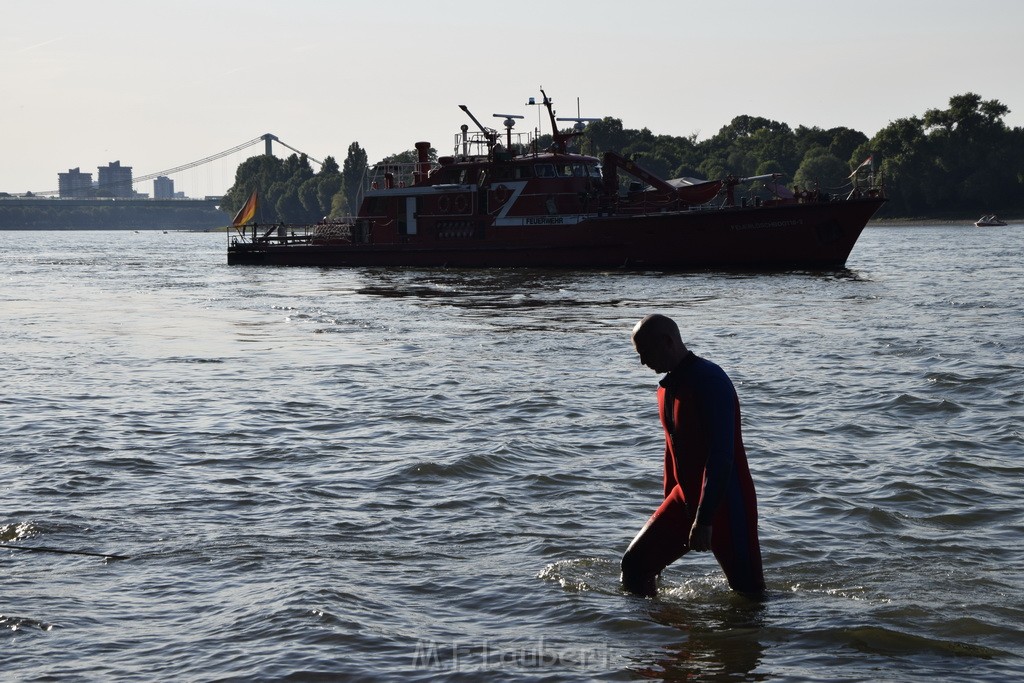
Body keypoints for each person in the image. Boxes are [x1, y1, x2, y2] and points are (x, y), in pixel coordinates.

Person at [621, 314, 765, 597]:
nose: (642, 362)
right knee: (635, 568)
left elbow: (722, 455)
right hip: (684, 501)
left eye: (645, 353)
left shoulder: (710, 380)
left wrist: (705, 519)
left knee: (750, 597)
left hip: (727, 505)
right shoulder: (666, 389)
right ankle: (671, 637)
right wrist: (666, 508)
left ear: (667, 342)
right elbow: (671, 455)